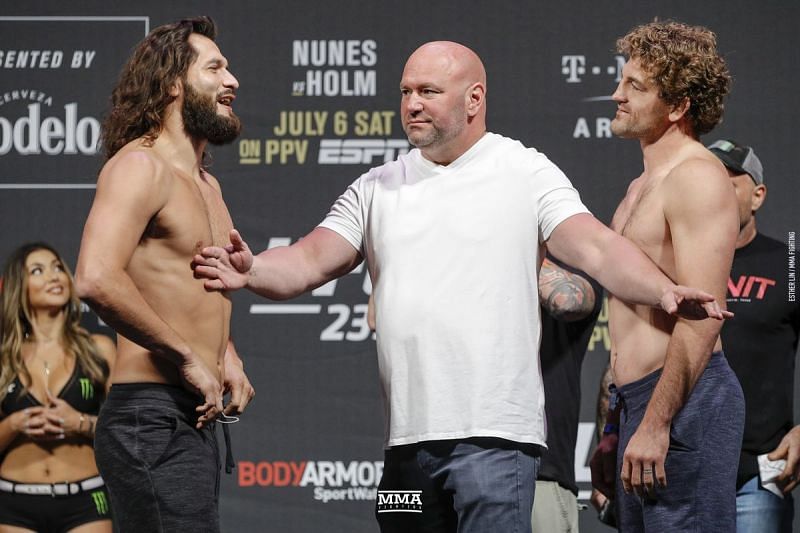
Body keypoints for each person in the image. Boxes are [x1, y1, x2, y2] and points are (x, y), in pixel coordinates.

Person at [193, 40, 729, 533]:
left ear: (474, 99)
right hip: (404, 450)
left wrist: (661, 290)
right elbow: (308, 260)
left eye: (429, 91)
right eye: (405, 91)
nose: (412, 104)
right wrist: (253, 270)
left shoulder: (524, 171)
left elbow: (595, 247)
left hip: (494, 447)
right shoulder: (377, 186)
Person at [73, 16, 254, 533]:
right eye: (215, 68)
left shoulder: (207, 186)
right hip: (148, 414)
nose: (232, 81)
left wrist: (227, 357)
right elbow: (96, 278)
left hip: (191, 413)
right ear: (173, 83)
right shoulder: (140, 168)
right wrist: (186, 357)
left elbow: (200, 287)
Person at [590, 21, 743, 532]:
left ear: (677, 106)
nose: (617, 95)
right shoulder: (641, 184)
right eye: (622, 80)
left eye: (636, 86)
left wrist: (656, 423)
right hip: (643, 402)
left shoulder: (696, 177)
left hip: (684, 402)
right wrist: (616, 425)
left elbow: (703, 316)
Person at [708, 139, 800, 532]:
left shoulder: (790, 263)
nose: (714, 193)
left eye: (729, 182)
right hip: (683, 470)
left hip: (760, 474)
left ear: (757, 195)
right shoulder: (674, 263)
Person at [0, 242, 116, 532]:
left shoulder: (99, 349)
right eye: (38, 270)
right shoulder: (3, 359)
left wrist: (79, 422)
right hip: (14, 502)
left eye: (57, 268)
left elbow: (125, 430)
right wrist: (15, 423)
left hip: (87, 500)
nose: (53, 276)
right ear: (19, 287)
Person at [533, 257, 603, 533]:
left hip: (540, 474)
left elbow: (567, 300)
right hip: (455, 463)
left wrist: (511, 242)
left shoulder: (578, 260)